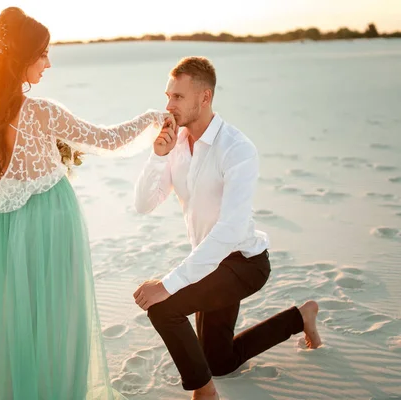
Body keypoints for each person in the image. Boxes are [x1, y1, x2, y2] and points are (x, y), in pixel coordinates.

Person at [0, 7, 171, 400]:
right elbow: (107, 139)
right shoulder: (41, 112)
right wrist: (152, 118)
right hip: (50, 220)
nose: (48, 63)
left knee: (13, 319)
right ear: (22, 58)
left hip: (5, 228)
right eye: (43, 54)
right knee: (59, 317)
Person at [132, 56, 322, 400]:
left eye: (178, 97)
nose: (168, 105)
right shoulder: (175, 145)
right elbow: (144, 205)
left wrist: (169, 284)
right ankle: (300, 317)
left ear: (205, 98)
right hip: (207, 261)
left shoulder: (236, 148)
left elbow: (231, 230)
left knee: (163, 308)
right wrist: (158, 156)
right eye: (168, 95)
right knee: (219, 361)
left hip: (242, 263)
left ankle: (205, 393)